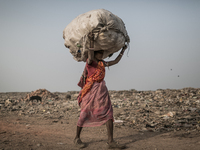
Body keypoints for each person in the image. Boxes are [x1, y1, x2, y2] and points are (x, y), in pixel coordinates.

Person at [74, 45, 127, 149]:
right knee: (84, 114)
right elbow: (90, 54)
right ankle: (77, 138)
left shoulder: (103, 63)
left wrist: (123, 50)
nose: (101, 55)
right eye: (99, 53)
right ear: (94, 53)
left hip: (102, 92)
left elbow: (116, 61)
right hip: (90, 91)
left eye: (102, 53)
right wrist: (91, 41)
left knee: (109, 114)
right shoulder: (90, 63)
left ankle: (110, 141)